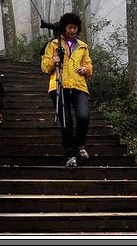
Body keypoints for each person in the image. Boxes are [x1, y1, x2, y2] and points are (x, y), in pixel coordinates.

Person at [40, 12, 93, 167]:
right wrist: (53, 61)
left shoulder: (83, 46)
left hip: (79, 86)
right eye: (70, 27)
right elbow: (44, 66)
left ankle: (80, 145)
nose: (73, 30)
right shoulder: (53, 44)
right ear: (64, 28)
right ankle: (71, 155)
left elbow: (89, 64)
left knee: (83, 116)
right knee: (66, 122)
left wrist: (86, 69)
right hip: (59, 86)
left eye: (75, 27)